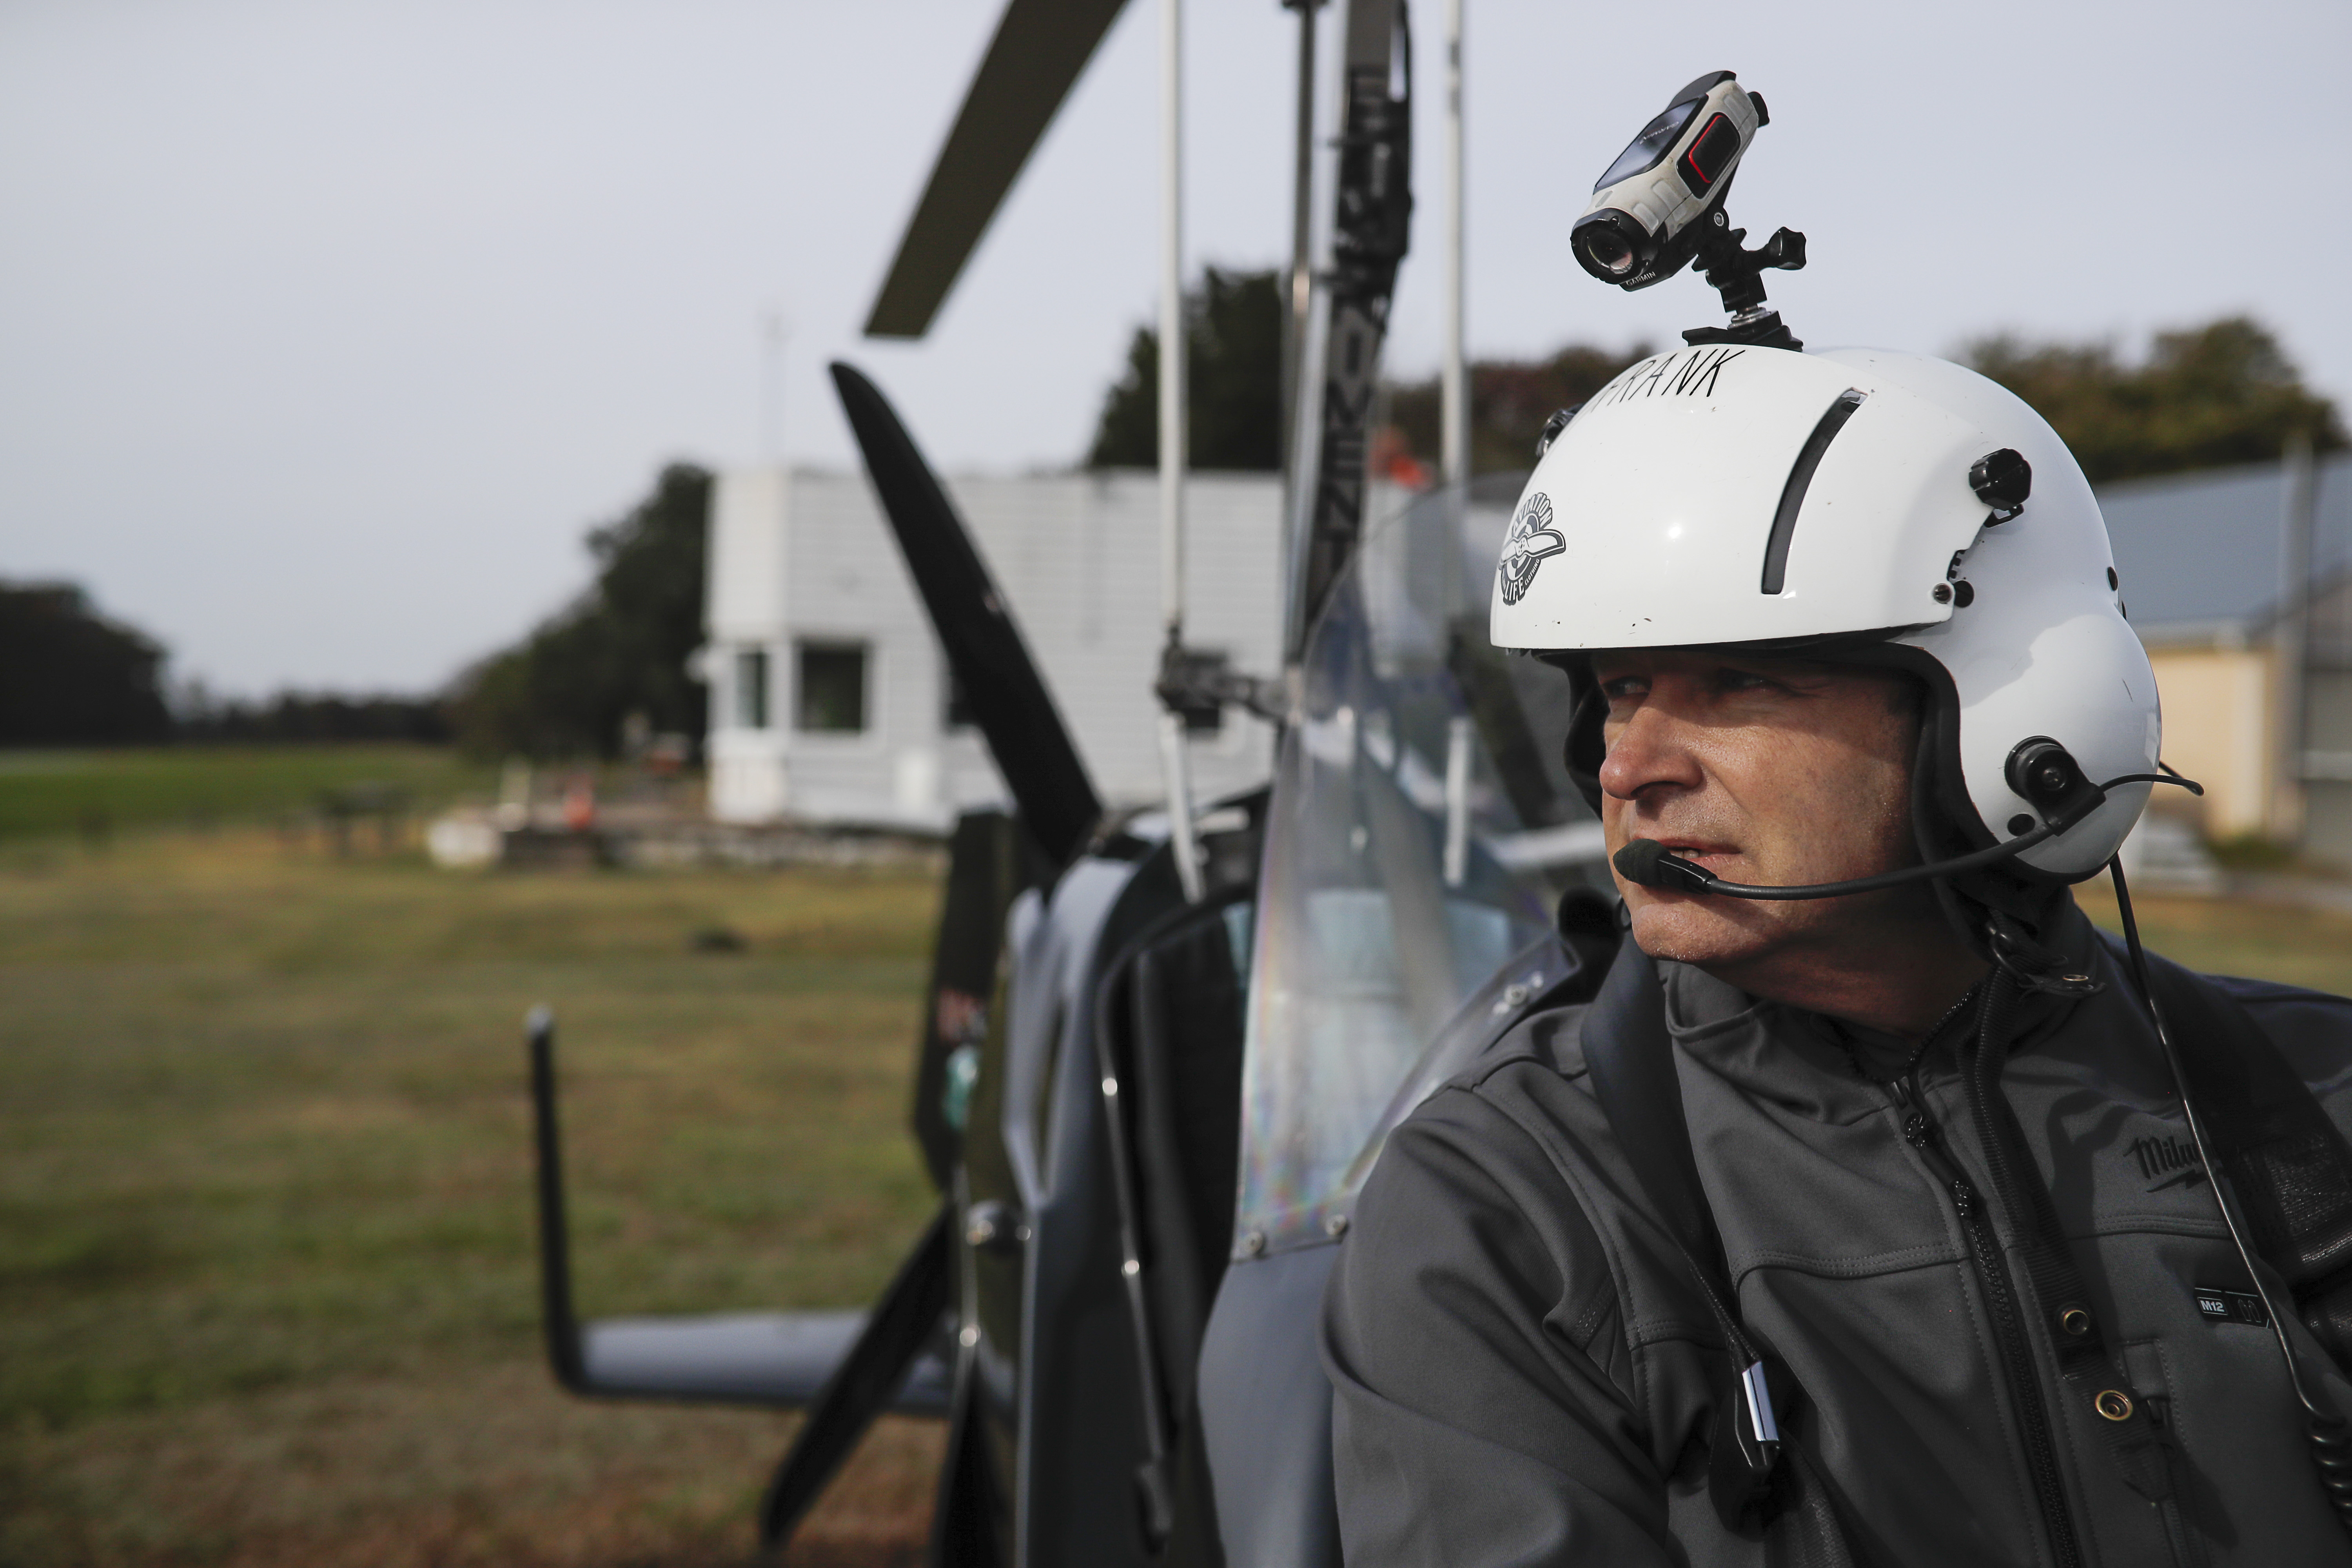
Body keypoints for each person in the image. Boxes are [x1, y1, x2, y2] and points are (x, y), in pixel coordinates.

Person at [1322, 343, 2352, 1564]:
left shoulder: (2314, 1105)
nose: (1626, 763)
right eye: (1619, 688)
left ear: (2013, 719)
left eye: (1737, 679)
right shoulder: (1512, 1206)